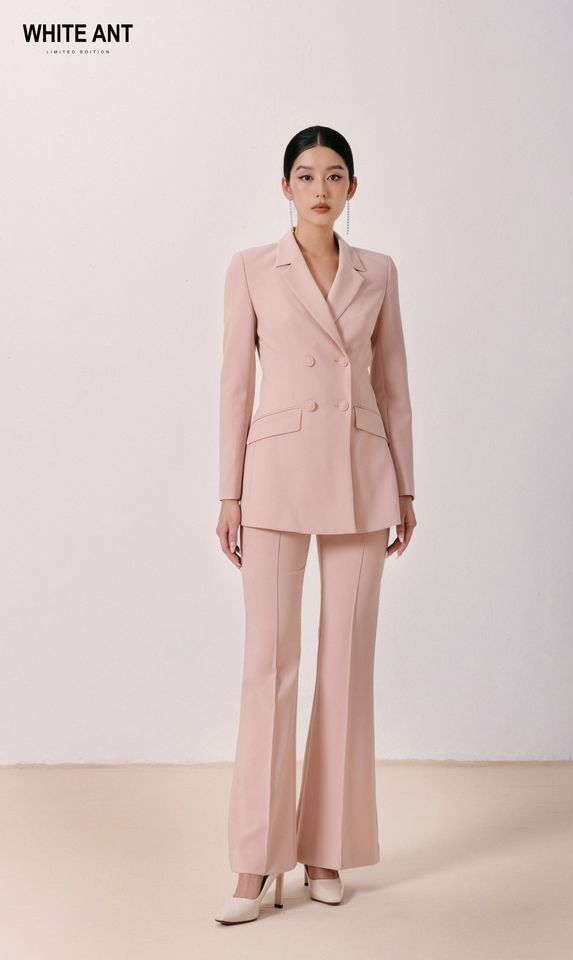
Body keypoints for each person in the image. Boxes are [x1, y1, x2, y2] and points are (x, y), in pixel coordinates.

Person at [214, 125, 417, 924]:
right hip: (273, 477)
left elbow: (393, 385)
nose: (320, 189)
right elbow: (235, 385)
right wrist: (227, 494)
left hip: (362, 474)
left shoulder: (379, 272)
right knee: (268, 663)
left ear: (352, 188)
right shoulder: (249, 268)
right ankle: (255, 861)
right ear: (285, 187)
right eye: (306, 175)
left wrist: (406, 488)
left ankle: (325, 849)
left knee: (346, 664)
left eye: (334, 176)